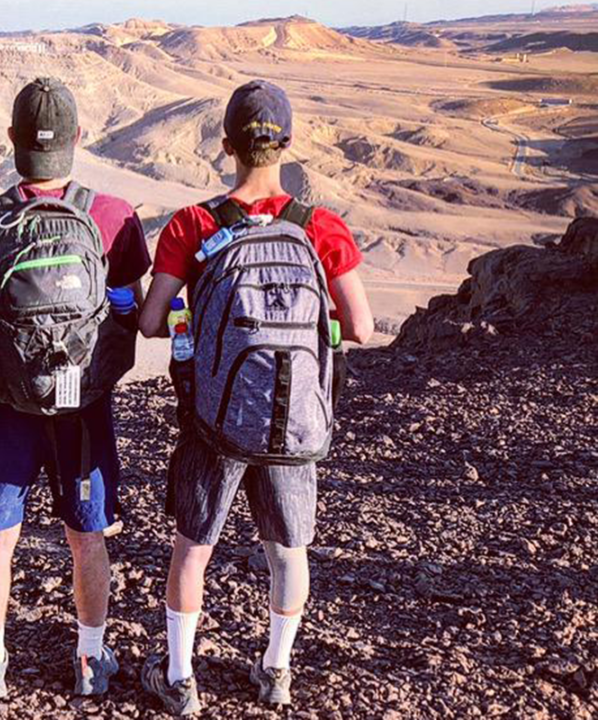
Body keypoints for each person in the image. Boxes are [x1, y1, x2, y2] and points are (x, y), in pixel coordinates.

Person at [137, 80, 375, 714]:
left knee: (194, 545)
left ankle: (180, 678)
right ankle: (275, 671)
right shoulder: (321, 227)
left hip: (215, 419)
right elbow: (362, 327)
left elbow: (151, 320)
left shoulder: (194, 224)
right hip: (294, 419)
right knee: (287, 550)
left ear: (226, 147)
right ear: (286, 146)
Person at [0, 77, 151, 700]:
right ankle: (90, 662)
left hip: (6, 402)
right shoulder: (113, 218)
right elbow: (126, 310)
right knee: (86, 535)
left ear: (12, 141)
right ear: (78, 141)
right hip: (83, 405)